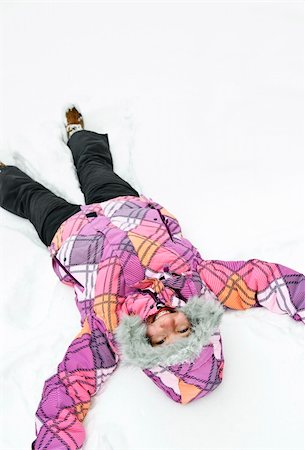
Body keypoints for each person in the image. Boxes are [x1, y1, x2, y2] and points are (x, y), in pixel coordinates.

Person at [0, 106, 304, 450]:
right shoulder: (199, 284)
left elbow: (70, 387)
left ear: (146, 348)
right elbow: (264, 280)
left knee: (31, 199)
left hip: (70, 235)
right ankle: (78, 135)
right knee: (95, 168)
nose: (167, 325)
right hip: (124, 207)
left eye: (161, 340)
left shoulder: (108, 332)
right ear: (197, 324)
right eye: (184, 329)